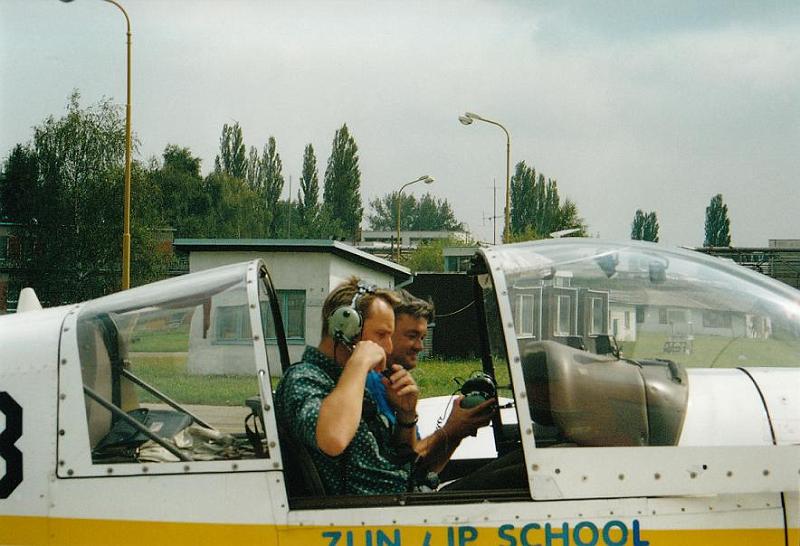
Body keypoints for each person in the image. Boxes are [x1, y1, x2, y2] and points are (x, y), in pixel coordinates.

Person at [274, 278, 421, 496]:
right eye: (381, 335)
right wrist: (360, 362)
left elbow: (397, 456)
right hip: (369, 514)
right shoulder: (303, 379)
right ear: (344, 328)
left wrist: (406, 416)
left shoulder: (348, 384)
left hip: (400, 499)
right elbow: (333, 439)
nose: (388, 348)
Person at [366, 289, 496, 476]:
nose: (419, 346)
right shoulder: (371, 383)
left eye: (422, 338)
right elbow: (400, 472)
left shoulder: (393, 382)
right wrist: (451, 429)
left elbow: (422, 470)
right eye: (411, 336)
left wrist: (457, 431)